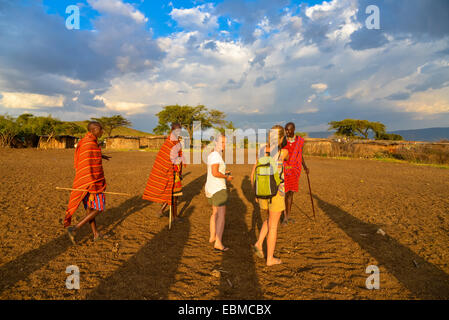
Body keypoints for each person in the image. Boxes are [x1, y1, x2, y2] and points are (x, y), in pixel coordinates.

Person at [65, 121, 111, 244]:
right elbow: (88, 162)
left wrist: (101, 155)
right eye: (100, 129)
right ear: (94, 129)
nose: (102, 132)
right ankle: (75, 228)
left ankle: (96, 234)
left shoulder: (87, 141)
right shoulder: (89, 143)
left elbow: (90, 156)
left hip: (85, 181)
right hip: (92, 182)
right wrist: (92, 181)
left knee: (90, 210)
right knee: (99, 208)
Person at [251, 125, 288, 266]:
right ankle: (270, 259)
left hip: (262, 191)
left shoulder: (261, 151)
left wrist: (255, 192)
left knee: (269, 218)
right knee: (273, 225)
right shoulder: (283, 152)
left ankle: (259, 243)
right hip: (277, 192)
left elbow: (253, 173)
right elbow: (287, 157)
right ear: (282, 137)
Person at [143, 123, 185, 221]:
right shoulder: (169, 143)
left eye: (180, 130)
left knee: (175, 195)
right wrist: (173, 168)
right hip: (169, 172)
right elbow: (166, 159)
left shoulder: (176, 142)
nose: (179, 132)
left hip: (175, 172)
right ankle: (168, 213)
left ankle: (168, 214)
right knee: (172, 195)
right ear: (172, 130)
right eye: (177, 130)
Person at [205, 133, 233, 252]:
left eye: (225, 142)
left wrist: (224, 171)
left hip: (210, 188)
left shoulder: (212, 154)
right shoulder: (216, 155)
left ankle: (212, 236)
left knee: (214, 213)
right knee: (221, 215)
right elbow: (215, 173)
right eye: (222, 142)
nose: (224, 145)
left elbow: (215, 169)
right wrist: (227, 178)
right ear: (216, 142)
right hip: (218, 188)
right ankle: (218, 242)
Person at [283, 122, 309, 225]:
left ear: (294, 129)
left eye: (289, 130)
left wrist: (305, 167)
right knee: (284, 193)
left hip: (294, 171)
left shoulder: (299, 141)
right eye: (286, 129)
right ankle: (284, 217)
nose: (287, 131)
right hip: (284, 170)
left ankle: (288, 216)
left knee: (290, 193)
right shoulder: (283, 141)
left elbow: (300, 155)